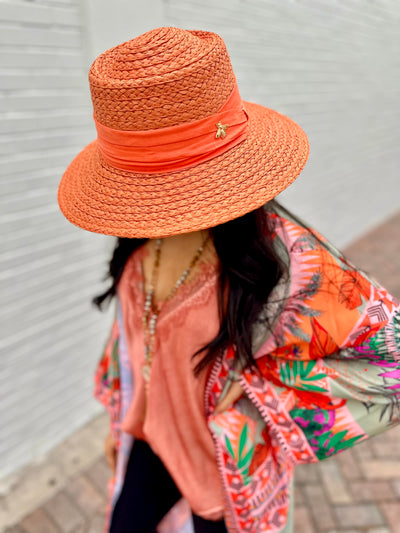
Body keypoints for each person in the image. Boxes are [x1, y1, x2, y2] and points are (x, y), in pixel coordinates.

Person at [57, 27, 400, 533]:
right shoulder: (139, 240)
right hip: (150, 444)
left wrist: (258, 403)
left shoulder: (286, 262)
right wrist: (124, 419)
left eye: (165, 179)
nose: (157, 199)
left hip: (224, 471)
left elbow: (388, 360)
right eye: (141, 184)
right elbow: (138, 340)